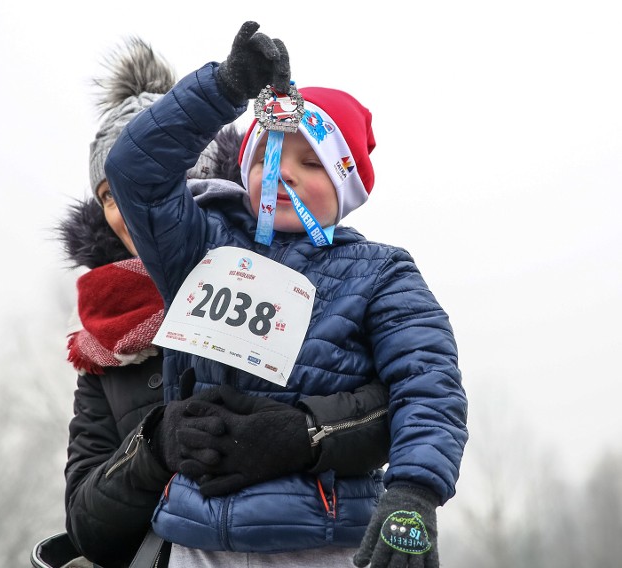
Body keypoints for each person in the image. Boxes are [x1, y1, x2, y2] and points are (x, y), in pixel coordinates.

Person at [104, 21, 469, 568]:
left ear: (346, 186)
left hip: (319, 544)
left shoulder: (381, 274)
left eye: (312, 162)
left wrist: (414, 492)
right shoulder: (198, 245)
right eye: (266, 157)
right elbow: (133, 171)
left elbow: (429, 383)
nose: (284, 174)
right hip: (197, 540)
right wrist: (224, 88)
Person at [60, 37, 392, 568]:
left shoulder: (310, 270)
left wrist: (302, 433)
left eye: (169, 187)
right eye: (106, 197)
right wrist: (154, 447)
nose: (126, 212)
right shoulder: (107, 346)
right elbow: (86, 526)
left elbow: (398, 403)